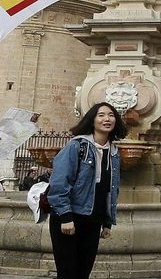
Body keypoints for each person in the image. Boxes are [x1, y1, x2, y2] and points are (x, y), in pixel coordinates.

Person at [47, 102, 126, 279]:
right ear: (92, 120)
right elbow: (59, 183)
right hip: (70, 217)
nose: (107, 119)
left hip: (93, 219)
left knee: (83, 272)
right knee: (67, 272)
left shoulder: (113, 153)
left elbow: (111, 189)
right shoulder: (77, 146)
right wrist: (65, 217)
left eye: (111, 115)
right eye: (101, 115)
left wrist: (107, 221)